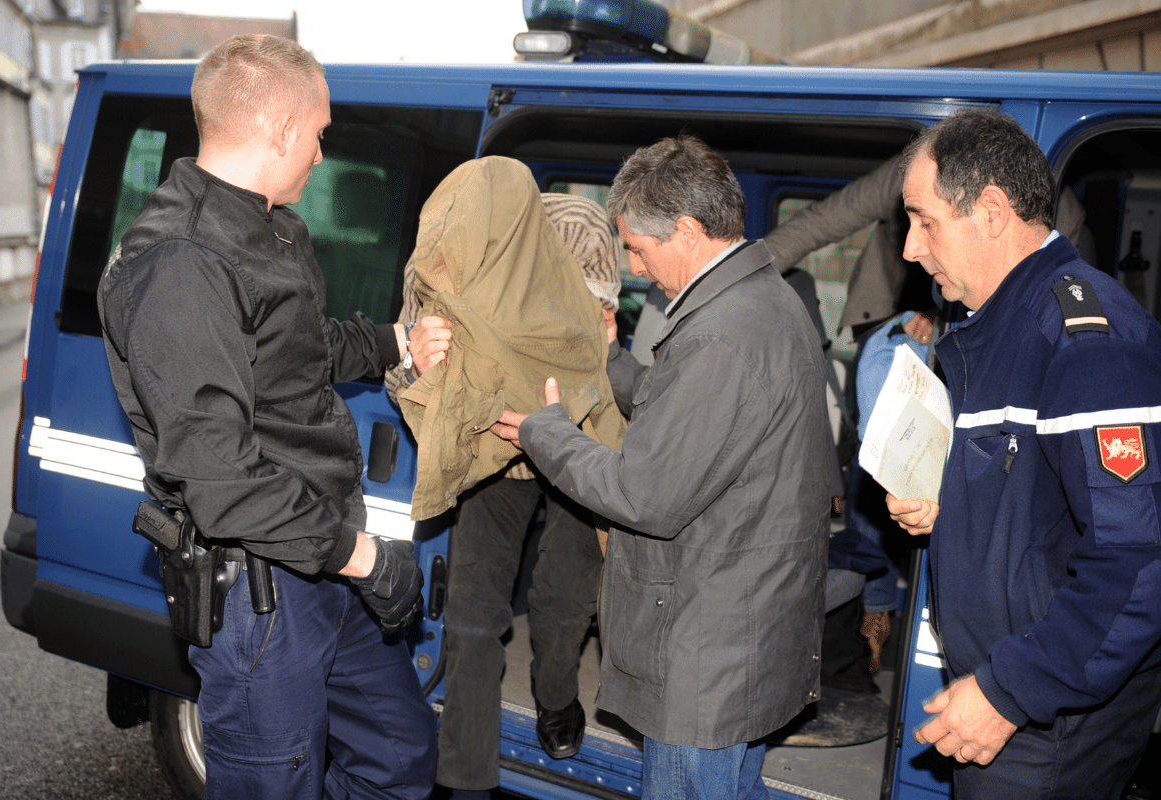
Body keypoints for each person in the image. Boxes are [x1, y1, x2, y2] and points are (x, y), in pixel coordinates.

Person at [98, 34, 449, 800]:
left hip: (316, 554)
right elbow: (220, 478)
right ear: (283, 130)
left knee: (400, 749)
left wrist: (395, 340)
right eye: (319, 132)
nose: (322, 154)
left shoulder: (267, 226)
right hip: (262, 591)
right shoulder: (181, 263)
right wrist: (362, 558)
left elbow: (296, 346)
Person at [492, 135, 834, 800]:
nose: (635, 267)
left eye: (638, 248)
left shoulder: (718, 335)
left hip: (706, 661)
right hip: (748, 640)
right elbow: (693, 416)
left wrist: (545, 434)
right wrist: (606, 361)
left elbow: (640, 493)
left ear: (685, 229)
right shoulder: (763, 302)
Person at [887, 107, 1161, 799]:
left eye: (925, 221)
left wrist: (1011, 691)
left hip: (1051, 725)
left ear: (991, 211)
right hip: (1022, 710)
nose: (910, 250)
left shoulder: (1084, 339)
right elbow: (1038, 499)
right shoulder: (998, 325)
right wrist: (952, 509)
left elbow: (1137, 561)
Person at [385, 189, 620, 799]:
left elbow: (598, 342)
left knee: (564, 595)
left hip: (575, 437)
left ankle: (555, 698)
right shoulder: (453, 253)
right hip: (494, 457)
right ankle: (465, 783)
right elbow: (405, 378)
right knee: (471, 617)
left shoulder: (582, 228)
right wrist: (416, 363)